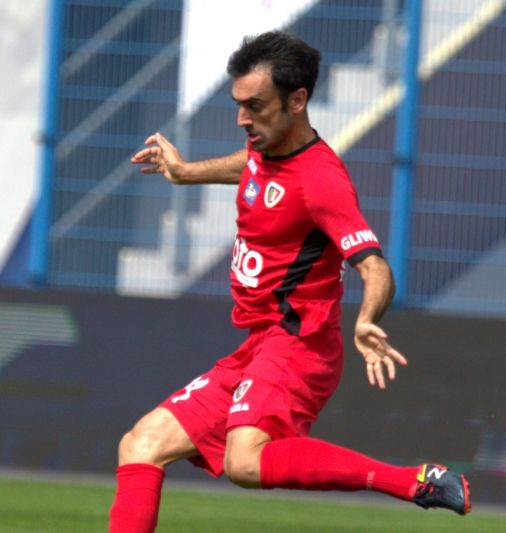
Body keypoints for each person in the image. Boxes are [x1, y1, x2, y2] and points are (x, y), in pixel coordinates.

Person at [113, 31, 470, 532]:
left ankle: (412, 480)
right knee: (140, 444)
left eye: (255, 106)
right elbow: (251, 167)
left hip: (301, 344)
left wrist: (367, 319)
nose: (242, 119)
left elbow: (374, 265)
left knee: (244, 461)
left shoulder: (321, 180)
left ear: (297, 100)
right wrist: (186, 172)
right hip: (260, 344)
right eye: (239, 105)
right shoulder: (265, 148)